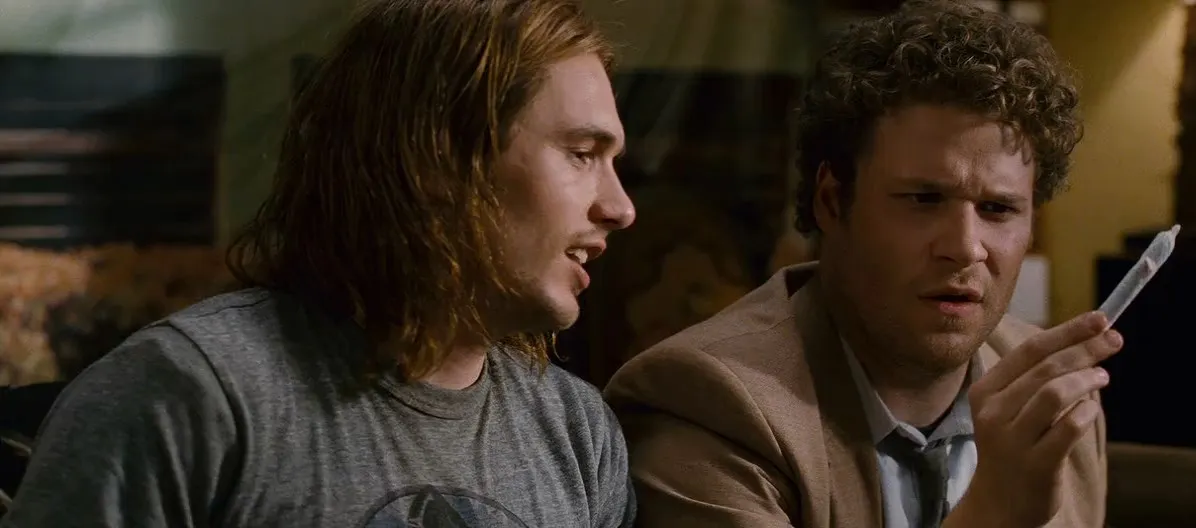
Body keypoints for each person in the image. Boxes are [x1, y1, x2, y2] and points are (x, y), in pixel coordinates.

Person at [2, 0, 636, 526]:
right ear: (436, 160)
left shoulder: (577, 433)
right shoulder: (186, 394)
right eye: (582, 153)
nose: (620, 207)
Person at [605, 1, 1117, 527]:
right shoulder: (709, 402)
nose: (965, 247)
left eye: (998, 209)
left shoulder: (1050, 399)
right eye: (923, 200)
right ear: (832, 202)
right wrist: (993, 514)